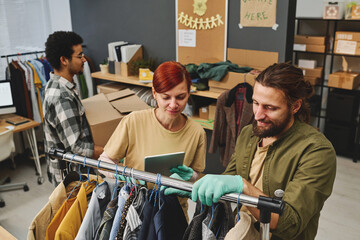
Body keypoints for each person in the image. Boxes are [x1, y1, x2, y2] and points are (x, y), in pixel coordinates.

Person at [172, 63, 336, 239]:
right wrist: (197, 180)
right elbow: (229, 181)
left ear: (295, 106)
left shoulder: (316, 151)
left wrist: (243, 186)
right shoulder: (248, 134)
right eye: (256, 103)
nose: (257, 115)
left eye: (270, 107)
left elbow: (290, 224)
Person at [98, 61, 207, 217]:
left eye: (180, 97)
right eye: (166, 97)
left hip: (174, 213)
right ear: (154, 93)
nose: (173, 104)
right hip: (135, 209)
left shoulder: (197, 133)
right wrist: (119, 172)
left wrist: (192, 177)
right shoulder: (134, 121)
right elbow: (103, 162)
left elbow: (198, 175)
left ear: (189, 93)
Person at [43, 31, 103, 186]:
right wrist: (108, 152)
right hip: (72, 177)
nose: (84, 60)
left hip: (74, 172)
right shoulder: (62, 97)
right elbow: (76, 146)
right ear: (64, 60)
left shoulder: (58, 85)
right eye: (79, 56)